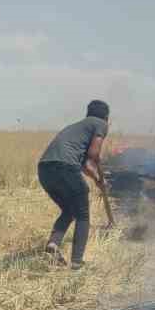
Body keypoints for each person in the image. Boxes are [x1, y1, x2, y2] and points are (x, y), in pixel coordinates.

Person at [37, 100, 109, 268]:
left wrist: (97, 180)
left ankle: (53, 244)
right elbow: (93, 154)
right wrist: (98, 161)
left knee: (70, 210)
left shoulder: (78, 127)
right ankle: (77, 262)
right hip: (65, 167)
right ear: (106, 117)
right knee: (83, 214)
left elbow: (84, 163)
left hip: (45, 169)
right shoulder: (101, 124)